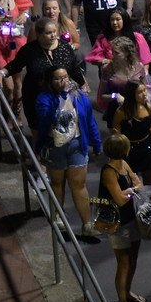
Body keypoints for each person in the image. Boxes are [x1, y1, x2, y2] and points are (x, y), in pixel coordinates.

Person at [34, 65, 101, 241]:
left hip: (76, 144)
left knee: (79, 185)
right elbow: (46, 118)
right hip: (55, 146)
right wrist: (60, 99)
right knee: (57, 184)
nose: (62, 81)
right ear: (50, 81)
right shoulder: (44, 99)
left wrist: (97, 143)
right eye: (57, 78)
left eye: (65, 77)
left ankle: (87, 225)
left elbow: (89, 121)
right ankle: (58, 219)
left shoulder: (79, 97)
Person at [99, 134, 149, 302]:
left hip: (131, 218)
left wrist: (131, 189)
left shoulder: (124, 164)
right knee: (124, 263)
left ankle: (127, 293)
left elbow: (138, 183)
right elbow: (120, 199)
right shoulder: (109, 172)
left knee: (133, 258)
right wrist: (132, 189)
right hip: (117, 224)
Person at [107, 79, 151, 187]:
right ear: (132, 94)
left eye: (144, 90)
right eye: (140, 92)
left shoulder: (148, 107)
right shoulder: (121, 112)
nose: (144, 94)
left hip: (146, 146)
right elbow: (116, 132)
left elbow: (150, 125)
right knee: (130, 183)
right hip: (129, 149)